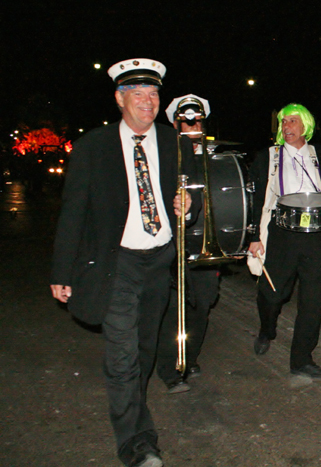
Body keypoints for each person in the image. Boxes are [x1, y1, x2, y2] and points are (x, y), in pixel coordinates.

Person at [50, 58, 198, 467]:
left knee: (145, 347)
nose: (148, 102)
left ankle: (136, 412)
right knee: (122, 356)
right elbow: (73, 212)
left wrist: (187, 206)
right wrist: (62, 272)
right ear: (120, 99)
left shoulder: (174, 143)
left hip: (159, 260)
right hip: (117, 263)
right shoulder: (92, 147)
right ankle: (137, 443)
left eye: (153, 94)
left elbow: (189, 199)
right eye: (138, 94)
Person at [247, 104, 321, 379]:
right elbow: (256, 199)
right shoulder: (268, 157)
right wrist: (253, 237)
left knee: (312, 301)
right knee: (273, 293)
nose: (287, 126)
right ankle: (267, 328)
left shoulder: (320, 156)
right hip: (282, 233)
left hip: (314, 235)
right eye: (284, 122)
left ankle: (302, 359)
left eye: (293, 121)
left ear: (305, 126)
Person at [155, 95, 221, 394]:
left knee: (202, 304)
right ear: (175, 123)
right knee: (172, 307)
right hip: (174, 241)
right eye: (186, 120)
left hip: (205, 240)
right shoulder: (164, 152)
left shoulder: (215, 155)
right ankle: (169, 368)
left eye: (197, 120)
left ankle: (190, 357)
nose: (193, 124)